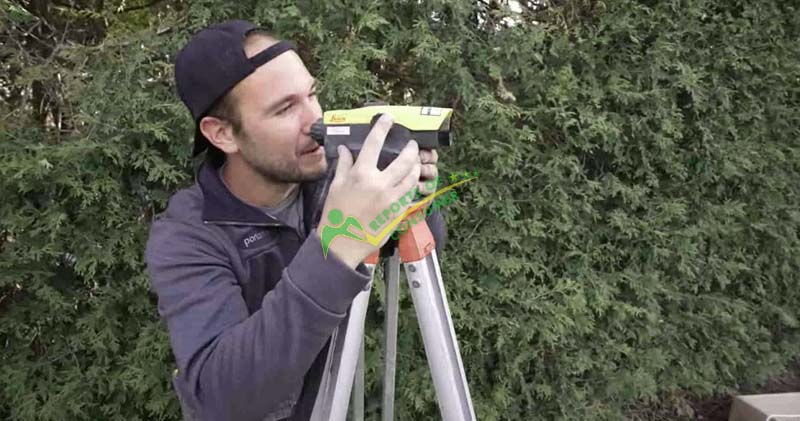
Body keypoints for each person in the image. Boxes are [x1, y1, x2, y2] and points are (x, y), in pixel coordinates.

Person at [144, 20, 447, 421]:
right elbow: (222, 399)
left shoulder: (335, 175)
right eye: (285, 109)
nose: (316, 121)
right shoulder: (186, 238)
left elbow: (417, 250)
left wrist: (413, 199)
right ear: (223, 134)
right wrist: (337, 243)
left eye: (312, 94)